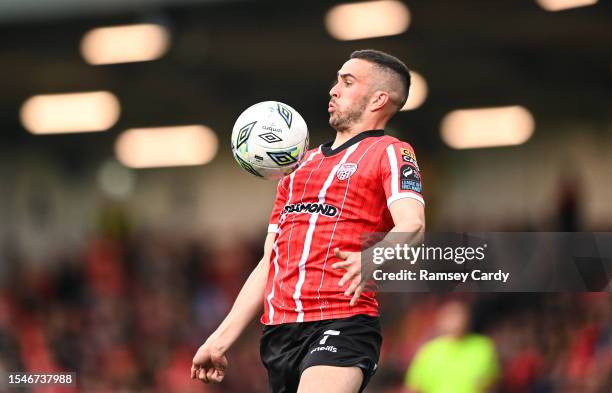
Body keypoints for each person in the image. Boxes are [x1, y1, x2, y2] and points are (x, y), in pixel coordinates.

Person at [191, 49, 426, 393]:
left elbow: (413, 223)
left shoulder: (390, 151)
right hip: (279, 333)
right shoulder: (297, 168)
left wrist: (375, 255)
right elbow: (269, 262)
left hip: (343, 320)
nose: (333, 89)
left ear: (378, 99)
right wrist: (219, 340)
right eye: (337, 80)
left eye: (347, 82)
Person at [404, 301, 500, 393]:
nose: (456, 321)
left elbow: (492, 383)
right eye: (451, 317)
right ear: (440, 321)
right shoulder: (429, 351)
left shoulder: (482, 346)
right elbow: (414, 387)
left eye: (459, 315)